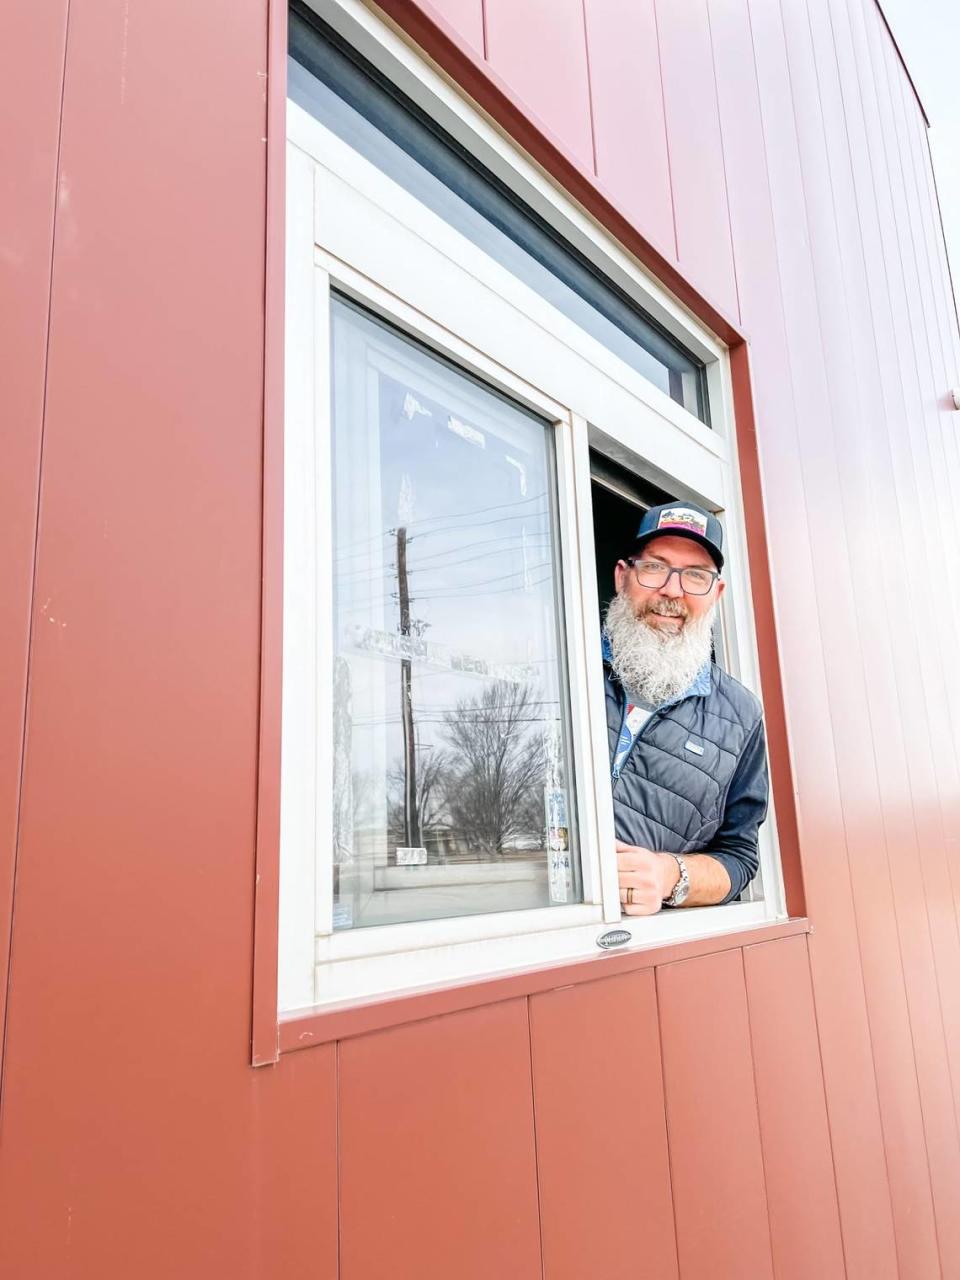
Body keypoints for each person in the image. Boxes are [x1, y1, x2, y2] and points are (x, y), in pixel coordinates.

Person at [603, 501, 768, 915]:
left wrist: (667, 875)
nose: (673, 591)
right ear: (623, 576)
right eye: (655, 567)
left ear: (716, 594)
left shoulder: (741, 715)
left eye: (695, 576)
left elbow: (739, 857)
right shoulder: (562, 666)